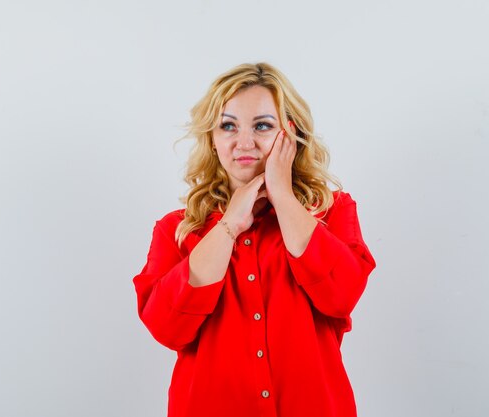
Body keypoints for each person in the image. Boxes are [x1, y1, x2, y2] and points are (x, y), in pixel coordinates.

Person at [132, 62, 376, 417]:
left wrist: (282, 194)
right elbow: (168, 328)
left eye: (262, 126)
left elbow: (340, 296)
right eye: (228, 126)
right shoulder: (176, 229)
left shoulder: (331, 211)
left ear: (290, 135)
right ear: (213, 140)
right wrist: (230, 223)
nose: (244, 142)